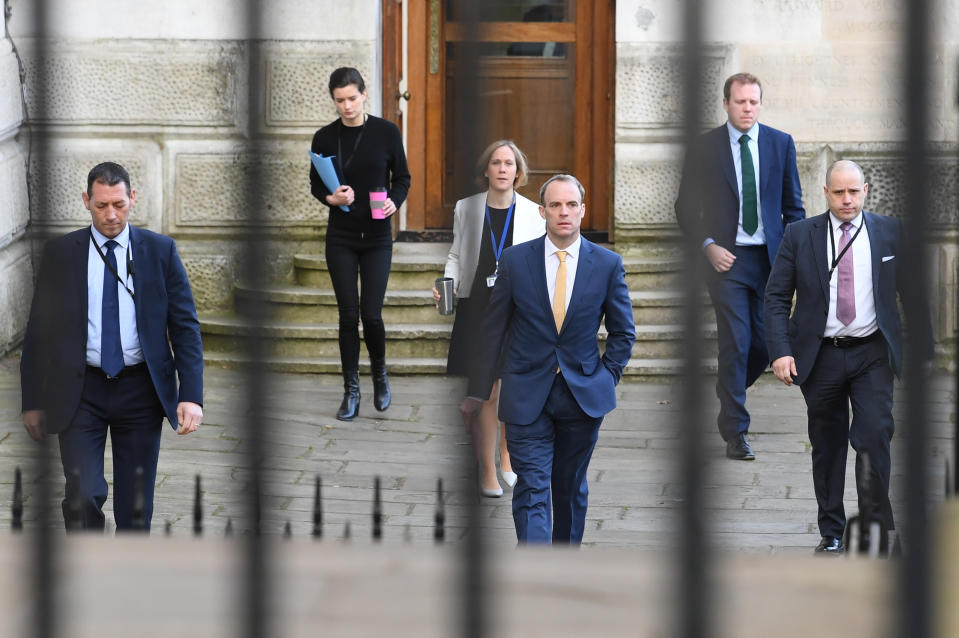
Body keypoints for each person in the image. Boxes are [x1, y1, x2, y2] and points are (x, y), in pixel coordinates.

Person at [20, 162, 204, 531]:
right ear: (86, 201)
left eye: (118, 204)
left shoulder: (159, 251)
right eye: (101, 205)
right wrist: (33, 402)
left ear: (132, 198)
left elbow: (184, 327)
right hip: (79, 389)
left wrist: (192, 395)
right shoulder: (61, 253)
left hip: (141, 390)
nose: (110, 215)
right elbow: (39, 331)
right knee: (82, 494)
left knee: (135, 506)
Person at [764, 160, 933, 554]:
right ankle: (832, 530)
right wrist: (780, 352)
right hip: (819, 355)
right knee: (827, 444)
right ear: (825, 193)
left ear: (866, 190)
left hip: (871, 351)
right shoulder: (799, 235)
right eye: (838, 192)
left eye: (853, 191)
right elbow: (775, 298)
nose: (846, 199)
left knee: (874, 435)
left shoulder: (890, 232)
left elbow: (913, 294)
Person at [461, 174, 635, 544]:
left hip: (583, 395)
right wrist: (479, 390)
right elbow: (494, 330)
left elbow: (623, 332)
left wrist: (606, 377)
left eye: (571, 204)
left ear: (583, 211)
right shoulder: (515, 260)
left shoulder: (606, 264)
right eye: (555, 205)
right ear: (542, 211)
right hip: (526, 393)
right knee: (533, 488)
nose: (563, 212)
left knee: (569, 489)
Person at [674, 72, 805, 460]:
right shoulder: (704, 147)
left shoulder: (780, 143)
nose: (748, 108)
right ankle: (736, 432)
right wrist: (707, 245)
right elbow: (685, 207)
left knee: (766, 344)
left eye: (754, 101)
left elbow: (793, 207)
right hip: (726, 262)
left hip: (771, 260)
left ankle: (726, 389)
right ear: (726, 103)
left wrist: (794, 258)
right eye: (740, 101)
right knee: (737, 341)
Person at [433, 140, 545, 498]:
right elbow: (455, 253)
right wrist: (445, 285)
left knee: (509, 385)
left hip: (517, 308)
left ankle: (506, 454)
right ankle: (486, 471)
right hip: (477, 308)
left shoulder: (532, 211)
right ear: (486, 169)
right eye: (495, 162)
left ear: (518, 171)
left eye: (508, 163)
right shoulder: (467, 208)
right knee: (486, 391)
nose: (501, 168)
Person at [310, 67, 411, 421]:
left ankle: (380, 376)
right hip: (341, 235)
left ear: (364, 94)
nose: (347, 106)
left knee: (371, 313)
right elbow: (314, 183)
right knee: (348, 315)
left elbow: (402, 178)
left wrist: (395, 202)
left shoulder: (386, 132)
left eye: (352, 98)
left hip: (378, 237)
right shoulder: (325, 137)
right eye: (339, 101)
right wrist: (331, 198)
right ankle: (350, 390)